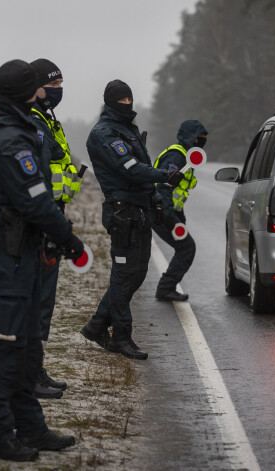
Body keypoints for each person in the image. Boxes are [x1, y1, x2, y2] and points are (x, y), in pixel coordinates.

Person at [0, 59, 82, 462]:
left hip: (20, 249)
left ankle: (30, 427)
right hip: (10, 252)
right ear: (29, 90)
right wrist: (69, 239)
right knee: (5, 348)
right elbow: (34, 200)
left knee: (25, 347)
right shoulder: (6, 138)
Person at [79, 79, 184, 360]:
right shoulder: (104, 133)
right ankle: (121, 337)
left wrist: (157, 198)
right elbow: (131, 169)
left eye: (130, 99)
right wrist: (164, 176)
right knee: (124, 274)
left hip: (138, 211)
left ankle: (97, 325)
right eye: (122, 100)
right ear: (111, 102)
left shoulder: (128, 129)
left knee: (136, 273)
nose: (128, 104)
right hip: (122, 213)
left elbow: (142, 171)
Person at [29, 58, 84, 399]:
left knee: (44, 301)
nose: (59, 91)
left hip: (53, 218)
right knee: (35, 302)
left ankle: (36, 369)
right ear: (36, 86)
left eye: (62, 84)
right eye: (53, 85)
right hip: (42, 223)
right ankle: (30, 374)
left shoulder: (48, 120)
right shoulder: (32, 123)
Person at [152, 120, 208, 301]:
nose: (201, 143)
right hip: (160, 211)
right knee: (186, 247)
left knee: (184, 247)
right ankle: (165, 288)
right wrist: (169, 218)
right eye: (199, 139)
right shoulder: (177, 156)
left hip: (166, 211)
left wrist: (179, 217)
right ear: (190, 138)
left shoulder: (185, 156)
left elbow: (178, 192)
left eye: (203, 139)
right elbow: (163, 186)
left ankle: (166, 287)